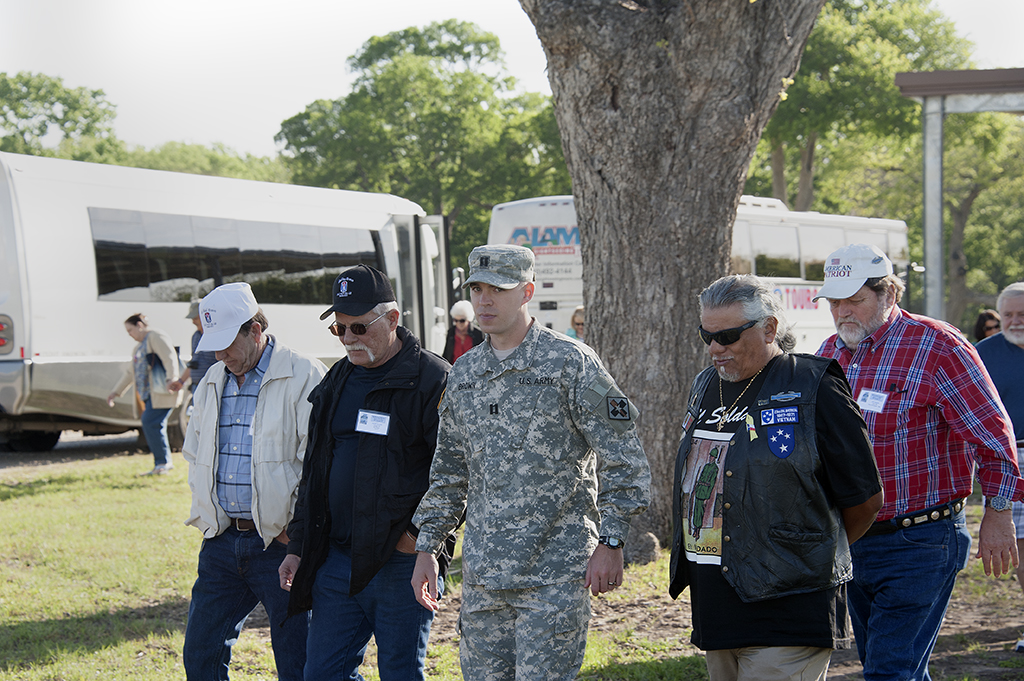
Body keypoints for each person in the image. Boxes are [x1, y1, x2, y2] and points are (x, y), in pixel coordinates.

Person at [410, 244, 651, 681]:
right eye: (477, 288)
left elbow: (625, 459)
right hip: (484, 577)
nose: (484, 300)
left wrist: (612, 541)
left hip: (555, 576)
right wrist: (428, 546)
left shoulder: (570, 362)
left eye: (498, 289)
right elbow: (449, 473)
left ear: (527, 292)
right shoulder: (464, 374)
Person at [814, 243, 1024, 681]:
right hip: (853, 538)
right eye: (835, 302)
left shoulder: (937, 344)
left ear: (889, 293)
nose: (842, 312)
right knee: (891, 667)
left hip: (922, 540)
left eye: (855, 300)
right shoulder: (829, 351)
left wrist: (998, 515)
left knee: (889, 672)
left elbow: (992, 434)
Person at [668, 274, 883, 681]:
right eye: (706, 336)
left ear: (769, 327)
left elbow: (865, 498)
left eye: (729, 335)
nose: (716, 348)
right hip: (716, 604)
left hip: (789, 602)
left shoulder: (814, 384)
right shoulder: (705, 384)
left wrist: (804, 550)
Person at [278, 264, 455, 680]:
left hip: (400, 564)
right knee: (322, 673)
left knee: (400, 673)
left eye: (358, 327)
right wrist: (298, 545)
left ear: (392, 319)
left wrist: (418, 540)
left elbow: (458, 474)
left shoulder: (434, 380)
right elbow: (315, 472)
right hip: (336, 560)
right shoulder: (336, 380)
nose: (348, 339)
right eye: (339, 329)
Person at [181, 282, 327, 681]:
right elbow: (195, 451)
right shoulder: (213, 377)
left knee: (298, 663)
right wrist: (210, 517)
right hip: (222, 543)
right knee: (200, 657)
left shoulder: (304, 374)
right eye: (213, 344)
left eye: (227, 342)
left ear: (255, 330)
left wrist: (294, 535)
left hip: (281, 547)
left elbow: (319, 466)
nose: (219, 353)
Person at [976, 282, 1024, 652]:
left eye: (1022, 314)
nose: (1014, 321)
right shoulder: (982, 354)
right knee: (1021, 543)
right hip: (1012, 458)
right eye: (1008, 314)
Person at [107, 313, 183, 475]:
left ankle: (162, 463)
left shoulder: (156, 336)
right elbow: (130, 372)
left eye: (130, 330)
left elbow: (169, 357)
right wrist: (115, 392)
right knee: (154, 424)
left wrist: (172, 378)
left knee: (150, 422)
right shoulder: (138, 347)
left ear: (140, 325)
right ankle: (162, 463)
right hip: (149, 395)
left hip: (163, 391)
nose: (130, 335)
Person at [170, 300, 218, 393]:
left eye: (195, 318)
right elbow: (194, 362)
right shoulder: (195, 336)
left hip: (212, 386)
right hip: (196, 386)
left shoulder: (215, 336)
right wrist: (181, 381)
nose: (193, 322)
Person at [441, 298, 484, 364]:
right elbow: (446, 354)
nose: (459, 323)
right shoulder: (451, 332)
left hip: (473, 371)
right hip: (454, 370)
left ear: (468, 319)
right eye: (456, 320)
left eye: (462, 321)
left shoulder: (478, 333)